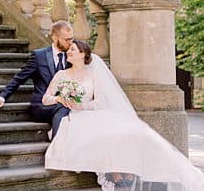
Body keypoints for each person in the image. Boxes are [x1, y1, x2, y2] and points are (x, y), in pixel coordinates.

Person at [43, 39, 204, 191]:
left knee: (121, 132)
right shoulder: (61, 75)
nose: (68, 52)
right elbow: (45, 99)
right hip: (74, 116)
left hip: (89, 112)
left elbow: (99, 102)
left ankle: (125, 173)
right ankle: (116, 176)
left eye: (72, 49)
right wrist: (59, 98)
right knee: (97, 134)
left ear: (82, 54)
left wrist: (83, 105)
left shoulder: (93, 74)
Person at [0, 19, 75, 139]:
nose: (70, 43)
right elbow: (19, 78)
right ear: (55, 38)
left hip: (64, 104)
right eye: (67, 39)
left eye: (72, 38)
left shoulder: (72, 56)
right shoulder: (39, 56)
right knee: (64, 108)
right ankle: (57, 147)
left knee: (71, 109)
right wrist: (2, 97)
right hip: (41, 105)